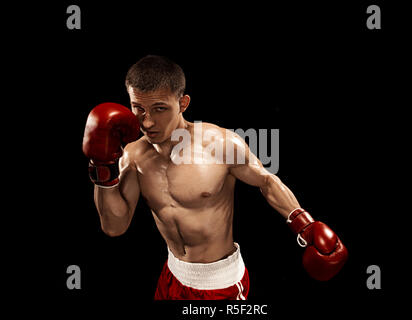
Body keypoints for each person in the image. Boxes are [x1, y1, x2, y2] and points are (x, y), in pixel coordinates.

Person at [82, 55, 348, 300]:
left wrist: (303, 224)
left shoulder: (220, 144)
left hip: (220, 284)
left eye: (160, 109)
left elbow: (266, 181)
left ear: (182, 103)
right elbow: (114, 227)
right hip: (172, 275)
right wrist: (102, 169)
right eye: (138, 108)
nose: (147, 122)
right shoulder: (133, 155)